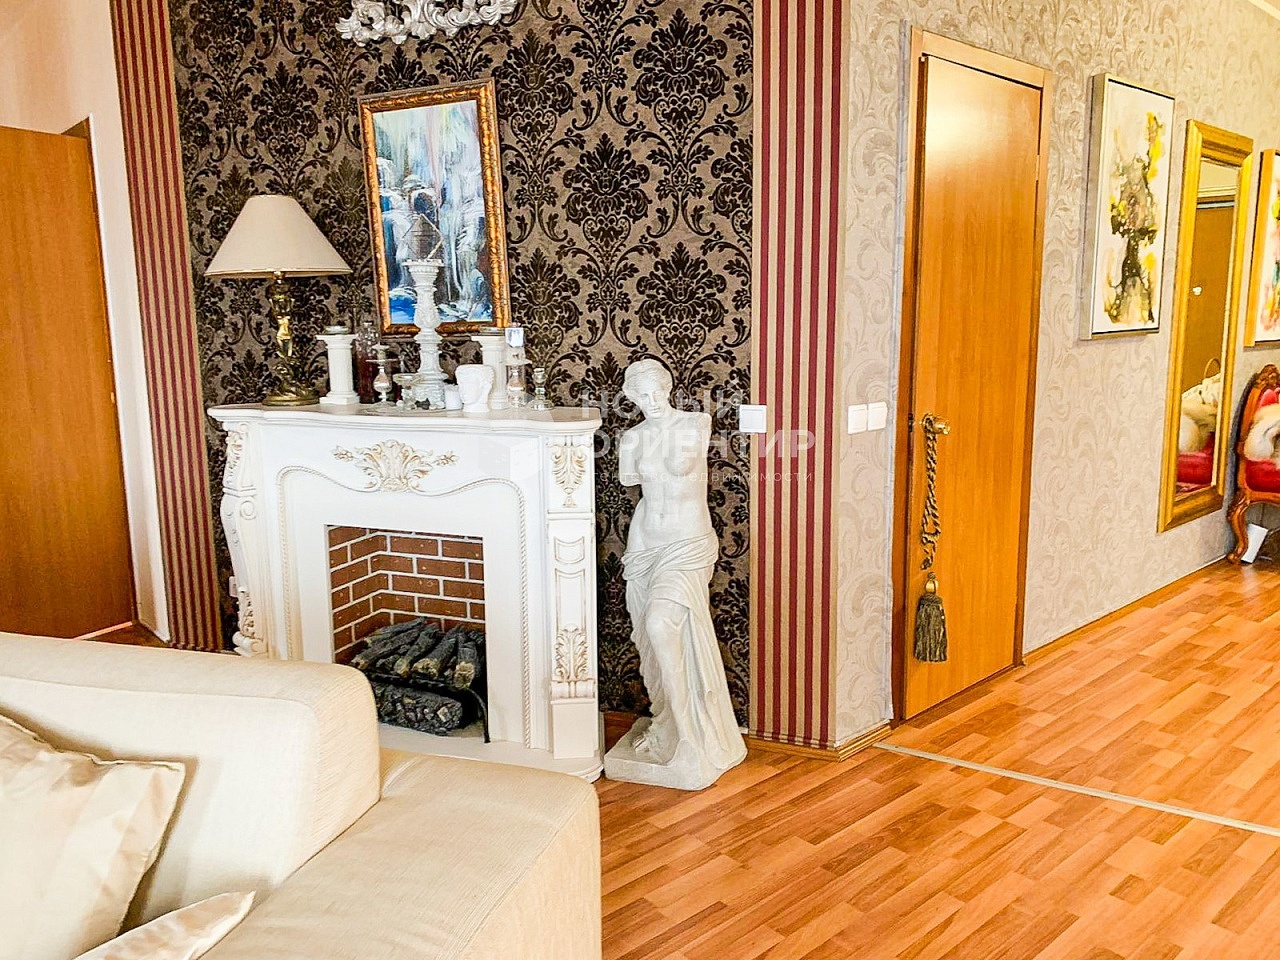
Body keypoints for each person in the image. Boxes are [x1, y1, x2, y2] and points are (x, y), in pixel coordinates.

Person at [608, 359, 746, 789]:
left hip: (688, 542)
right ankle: (667, 718)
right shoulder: (632, 438)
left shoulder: (695, 423)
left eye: (656, 391)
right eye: (640, 394)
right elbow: (635, 488)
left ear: (667, 388)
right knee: (649, 637)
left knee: (660, 623)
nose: (650, 401)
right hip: (645, 546)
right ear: (630, 396)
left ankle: (689, 737)